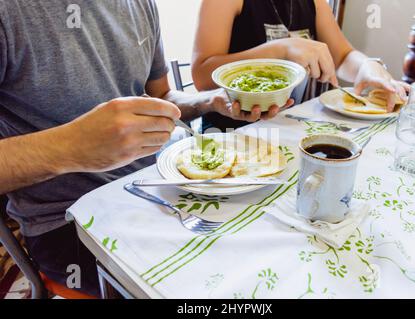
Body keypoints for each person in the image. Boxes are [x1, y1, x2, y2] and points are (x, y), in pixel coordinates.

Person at [0, 0, 290, 296]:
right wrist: (69, 147)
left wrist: (211, 101)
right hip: (65, 221)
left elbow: (162, 95)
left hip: (155, 188)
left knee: (270, 251)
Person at [192, 0, 410, 131]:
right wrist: (282, 49)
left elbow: (342, 57)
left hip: (292, 129)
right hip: (233, 133)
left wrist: (367, 65)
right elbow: (202, 75)